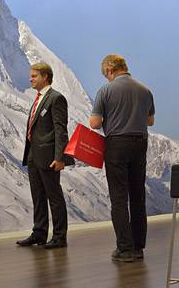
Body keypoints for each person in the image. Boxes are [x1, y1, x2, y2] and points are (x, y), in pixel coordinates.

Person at [89, 54, 155, 263]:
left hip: (116, 144)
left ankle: (124, 248)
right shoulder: (145, 90)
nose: (106, 78)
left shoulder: (106, 91)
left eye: (105, 75)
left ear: (109, 70)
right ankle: (138, 247)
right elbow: (150, 121)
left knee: (119, 198)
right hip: (140, 143)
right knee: (137, 197)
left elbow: (94, 123)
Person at [17, 62, 74, 249]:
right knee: (38, 196)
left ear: (45, 77)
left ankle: (59, 237)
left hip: (49, 156)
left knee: (54, 196)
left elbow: (60, 130)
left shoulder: (56, 98)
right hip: (34, 154)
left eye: (34, 76)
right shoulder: (39, 98)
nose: (30, 79)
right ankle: (39, 233)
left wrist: (60, 157)